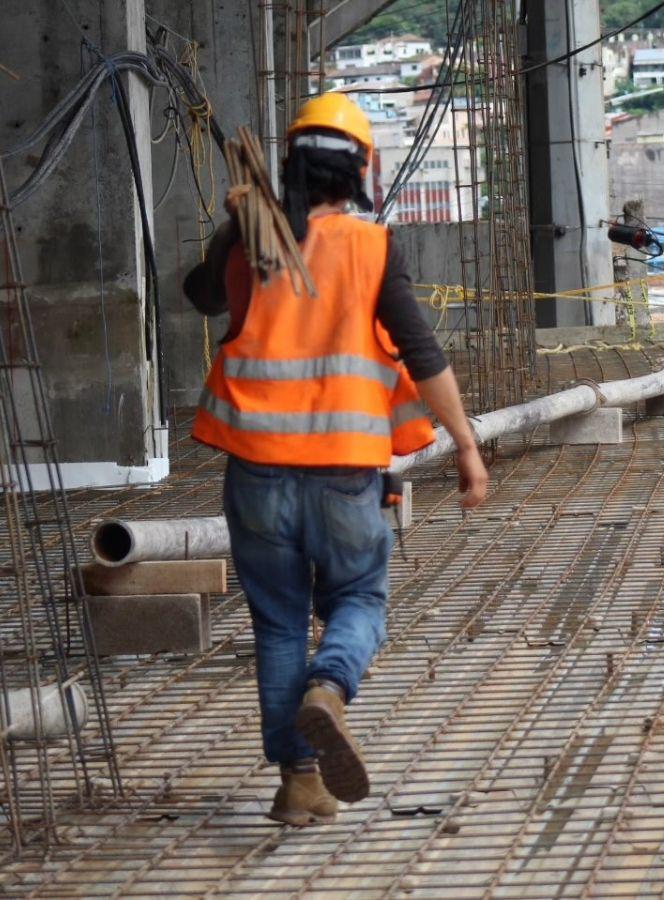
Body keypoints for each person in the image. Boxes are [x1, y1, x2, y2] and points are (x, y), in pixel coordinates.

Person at [184, 93, 488, 826]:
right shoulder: (371, 247)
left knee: (279, 623)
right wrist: (467, 447)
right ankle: (330, 686)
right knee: (359, 601)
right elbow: (422, 353)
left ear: (290, 163)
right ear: (358, 172)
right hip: (345, 471)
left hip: (256, 470)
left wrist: (233, 229)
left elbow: (199, 295)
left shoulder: (252, 237)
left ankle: (299, 784)